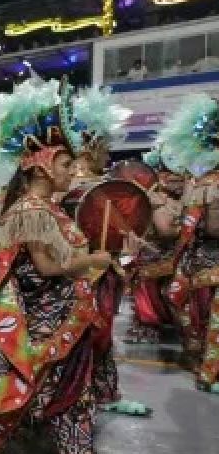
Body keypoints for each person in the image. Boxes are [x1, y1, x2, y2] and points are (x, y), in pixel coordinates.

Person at [0, 77, 139, 454]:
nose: (74, 172)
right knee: (12, 409)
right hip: (37, 331)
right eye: (66, 165)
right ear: (41, 165)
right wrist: (91, 261)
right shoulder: (31, 209)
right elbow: (48, 266)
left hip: (61, 323)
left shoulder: (49, 208)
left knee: (73, 399)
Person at [68, 87, 150, 416]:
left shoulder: (101, 182)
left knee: (103, 335)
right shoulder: (74, 186)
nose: (109, 153)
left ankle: (105, 394)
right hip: (82, 272)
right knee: (87, 336)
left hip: (106, 270)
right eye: (105, 145)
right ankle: (77, 396)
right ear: (90, 146)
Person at [160, 94, 219, 394]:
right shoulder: (205, 185)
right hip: (207, 265)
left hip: (199, 265)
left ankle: (205, 368)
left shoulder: (201, 184)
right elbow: (200, 228)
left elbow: (190, 229)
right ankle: (207, 370)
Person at [124, 147, 182, 345]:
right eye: (174, 177)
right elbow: (164, 229)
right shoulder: (156, 198)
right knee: (150, 297)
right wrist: (187, 230)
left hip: (164, 258)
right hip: (153, 258)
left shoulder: (168, 197)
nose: (179, 181)